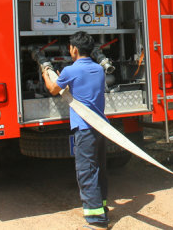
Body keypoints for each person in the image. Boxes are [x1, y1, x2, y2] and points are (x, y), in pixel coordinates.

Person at [37, 32, 109, 229]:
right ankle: (102, 208)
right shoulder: (98, 69)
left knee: (86, 171)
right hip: (100, 128)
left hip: (84, 129)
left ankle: (96, 221)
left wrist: (45, 70)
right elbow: (82, 86)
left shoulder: (70, 70)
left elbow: (53, 89)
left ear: (74, 49)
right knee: (99, 170)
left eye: (70, 47)